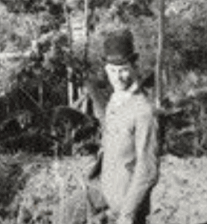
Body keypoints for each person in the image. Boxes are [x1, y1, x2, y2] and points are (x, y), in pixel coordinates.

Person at [66, 29, 160, 224]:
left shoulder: (143, 111)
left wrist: (127, 215)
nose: (118, 77)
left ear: (134, 66)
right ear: (106, 70)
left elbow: (147, 169)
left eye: (124, 69)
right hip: (104, 193)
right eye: (112, 70)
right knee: (66, 211)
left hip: (125, 206)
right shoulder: (114, 103)